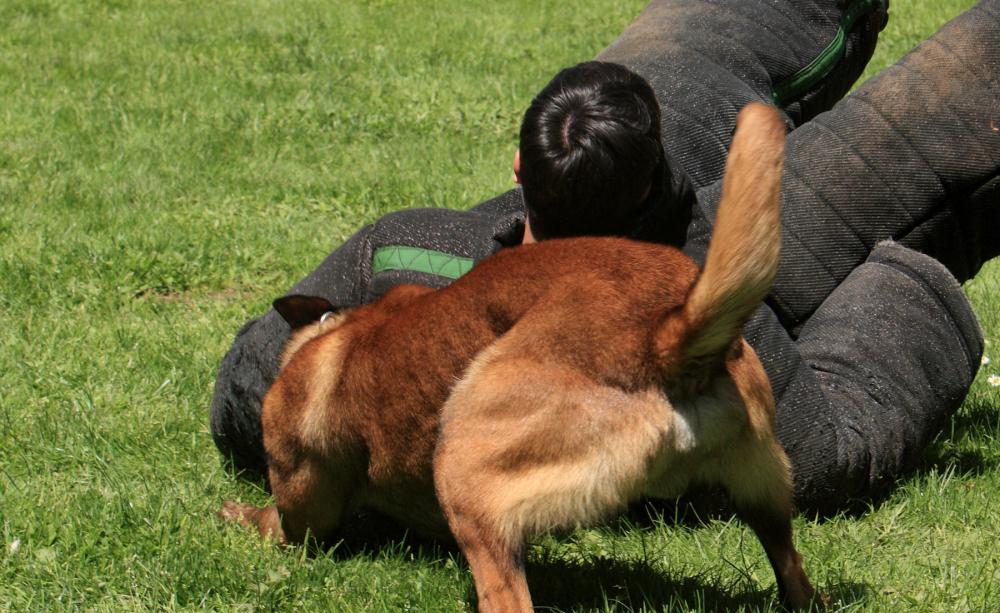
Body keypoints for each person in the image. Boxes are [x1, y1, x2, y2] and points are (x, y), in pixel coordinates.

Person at [211, 0, 999, 514]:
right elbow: (821, 449)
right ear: (666, 172)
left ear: (522, 172)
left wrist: (372, 464)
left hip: (651, 277)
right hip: (697, 290)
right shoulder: (707, 284)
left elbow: (249, 376)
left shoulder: (412, 250)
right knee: (894, 160)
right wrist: (908, 284)